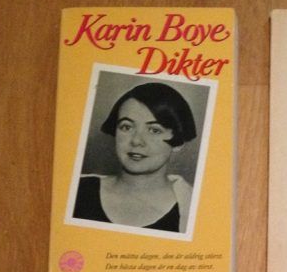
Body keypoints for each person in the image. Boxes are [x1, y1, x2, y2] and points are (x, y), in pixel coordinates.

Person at [73, 81, 197, 233]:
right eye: (126, 127)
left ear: (179, 142)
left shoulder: (192, 210)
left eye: (154, 130)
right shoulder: (78, 190)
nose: (136, 141)